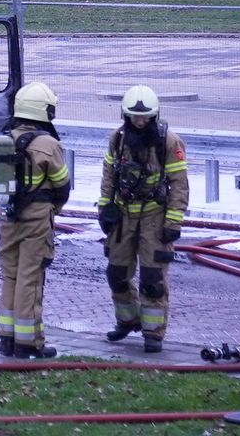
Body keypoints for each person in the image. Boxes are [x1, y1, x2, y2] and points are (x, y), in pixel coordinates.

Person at [97, 85, 189, 354]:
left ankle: (153, 333)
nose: (140, 121)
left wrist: (173, 222)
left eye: (145, 117)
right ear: (125, 115)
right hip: (123, 216)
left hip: (153, 217)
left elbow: (179, 184)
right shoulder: (117, 139)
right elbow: (109, 175)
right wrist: (105, 207)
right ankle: (128, 320)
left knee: (152, 279)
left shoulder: (168, 142)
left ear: (154, 115)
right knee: (116, 274)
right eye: (135, 117)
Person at [0, 81, 71, 359]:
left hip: (8, 218)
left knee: (10, 276)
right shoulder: (48, 145)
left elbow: (0, 186)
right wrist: (53, 209)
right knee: (31, 278)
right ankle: (29, 342)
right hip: (37, 219)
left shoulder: (4, 141)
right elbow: (62, 185)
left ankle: (6, 338)